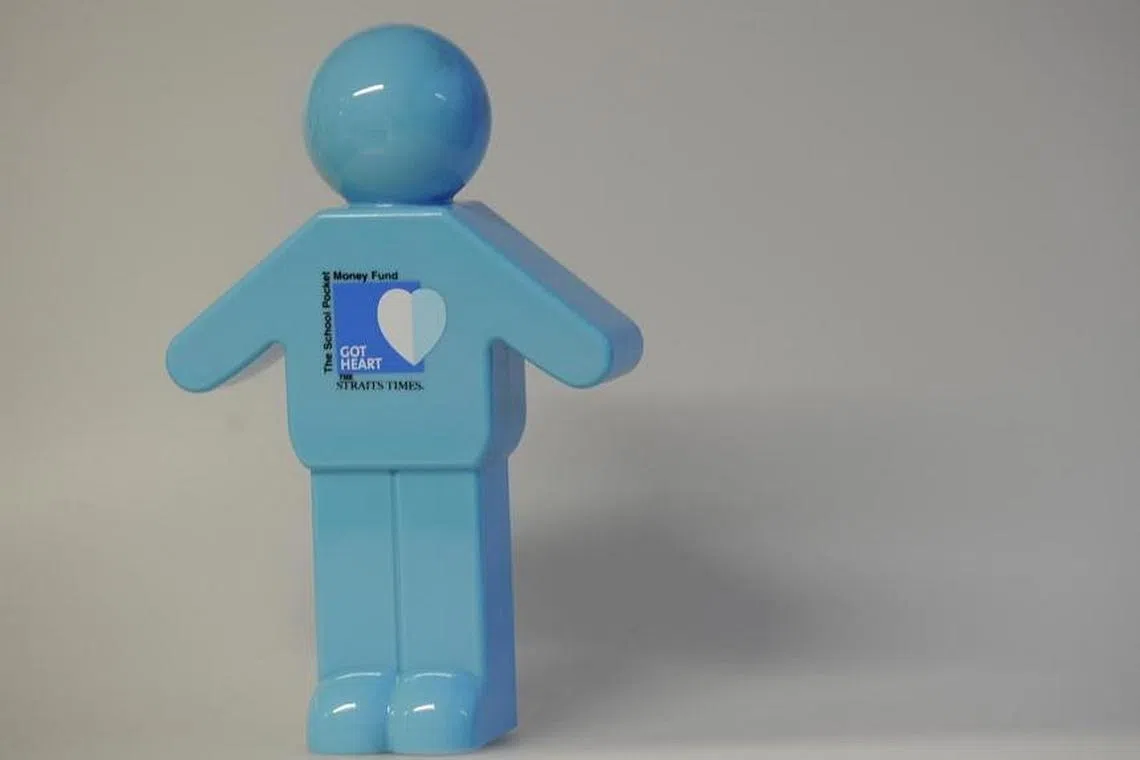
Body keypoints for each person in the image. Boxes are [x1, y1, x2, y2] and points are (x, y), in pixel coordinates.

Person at [166, 23, 642, 755]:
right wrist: (588, 349)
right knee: (358, 561)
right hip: (346, 448)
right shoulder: (337, 252)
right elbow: (205, 352)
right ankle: (355, 683)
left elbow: (588, 341)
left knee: (436, 558)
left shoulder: (455, 249)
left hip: (443, 451)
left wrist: (588, 350)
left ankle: (449, 683)